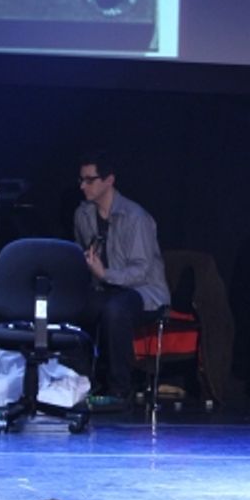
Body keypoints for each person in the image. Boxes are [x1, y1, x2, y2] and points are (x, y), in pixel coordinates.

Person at [73, 151, 170, 409]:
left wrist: (104, 274)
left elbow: (141, 271)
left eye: (90, 180)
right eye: (81, 180)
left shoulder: (135, 217)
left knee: (115, 310)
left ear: (108, 180)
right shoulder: (83, 215)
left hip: (143, 292)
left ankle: (120, 390)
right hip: (105, 289)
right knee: (75, 305)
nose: (83, 186)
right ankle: (78, 383)